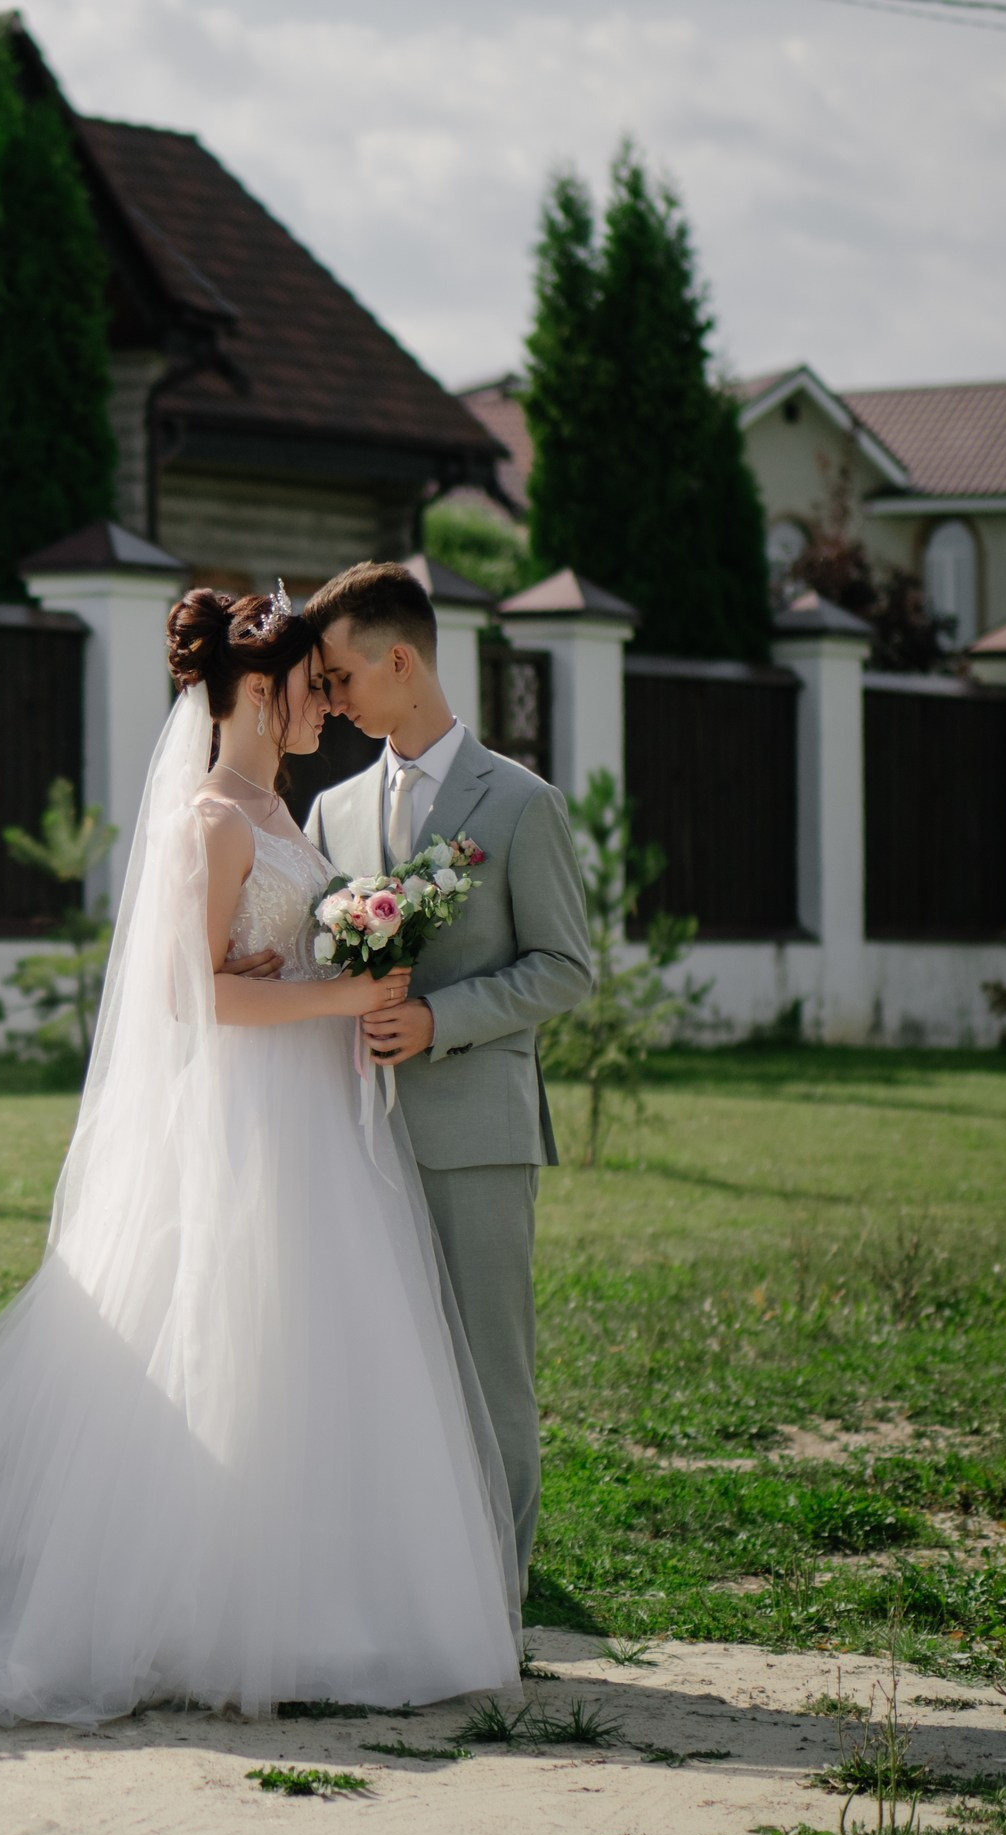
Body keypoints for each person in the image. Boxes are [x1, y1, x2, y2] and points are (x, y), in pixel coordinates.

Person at [0, 587, 522, 1727]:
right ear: (257, 690)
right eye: (312, 688)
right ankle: (217, 1610)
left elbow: (258, 955)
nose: (326, 706)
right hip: (253, 1118)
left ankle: (315, 1603)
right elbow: (192, 996)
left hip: (309, 1113)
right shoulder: (211, 817)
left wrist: (326, 970)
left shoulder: (282, 811)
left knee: (309, 1353)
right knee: (239, 1339)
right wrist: (343, 987)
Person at [303, 562, 592, 1572]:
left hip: (474, 1135)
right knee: (378, 1372)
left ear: (399, 659)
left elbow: (565, 968)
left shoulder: (519, 804)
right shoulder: (331, 810)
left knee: (485, 1376)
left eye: (338, 677)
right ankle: (400, 1589)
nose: (327, 699)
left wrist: (440, 1019)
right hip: (356, 1144)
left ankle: (497, 1600)